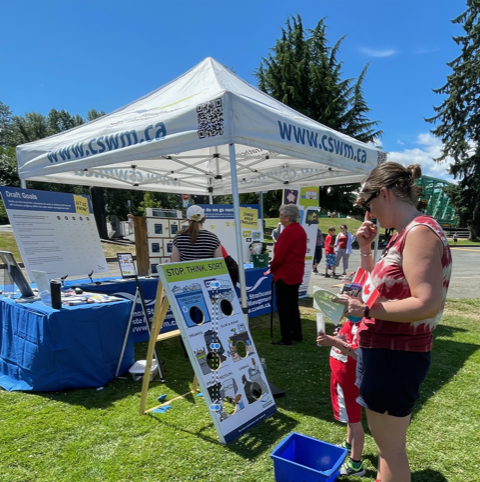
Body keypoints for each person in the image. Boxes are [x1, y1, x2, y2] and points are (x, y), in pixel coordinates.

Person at [333, 162, 452, 482]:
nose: (368, 214)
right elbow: (376, 290)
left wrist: (365, 311)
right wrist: (367, 250)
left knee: (390, 450)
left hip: (394, 355)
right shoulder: (405, 234)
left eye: (368, 205)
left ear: (383, 194)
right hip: (386, 354)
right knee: (388, 448)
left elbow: (426, 303)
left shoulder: (419, 232)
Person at [317, 321, 366, 477]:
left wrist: (334, 342)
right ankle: (348, 444)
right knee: (351, 418)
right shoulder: (352, 320)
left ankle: (356, 465)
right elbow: (347, 339)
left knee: (355, 421)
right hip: (342, 378)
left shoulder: (363, 324)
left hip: (350, 382)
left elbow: (357, 353)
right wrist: (339, 335)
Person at [270, 204, 307, 345]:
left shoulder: (288, 232)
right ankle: (297, 334)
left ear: (286, 217)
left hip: (285, 273)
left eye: (280, 214)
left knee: (284, 306)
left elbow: (279, 256)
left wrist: (272, 269)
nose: (279, 217)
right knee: (292, 304)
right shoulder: (300, 230)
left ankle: (286, 337)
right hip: (296, 272)